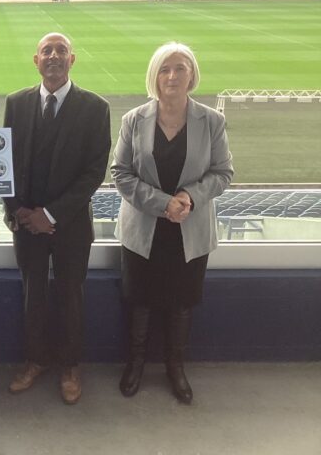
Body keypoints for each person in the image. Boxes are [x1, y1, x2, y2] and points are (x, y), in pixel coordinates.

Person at [111, 42, 233, 404]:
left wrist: (189, 198)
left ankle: (175, 368)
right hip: (143, 230)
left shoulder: (212, 121)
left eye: (180, 68)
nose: (172, 76)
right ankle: (134, 365)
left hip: (190, 230)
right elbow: (121, 174)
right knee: (140, 301)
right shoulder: (134, 119)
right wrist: (165, 204)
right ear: (154, 76)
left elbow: (223, 173)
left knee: (182, 302)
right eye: (165, 69)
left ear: (192, 74)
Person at [3, 32, 111, 404]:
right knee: (32, 295)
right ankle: (34, 361)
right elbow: (7, 166)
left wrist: (50, 214)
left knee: (70, 296)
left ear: (72, 59)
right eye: (46, 51)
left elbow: (94, 172)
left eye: (60, 50)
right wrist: (19, 211)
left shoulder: (95, 108)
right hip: (26, 224)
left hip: (71, 225)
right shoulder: (15, 104)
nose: (53, 56)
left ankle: (69, 366)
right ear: (36, 60)